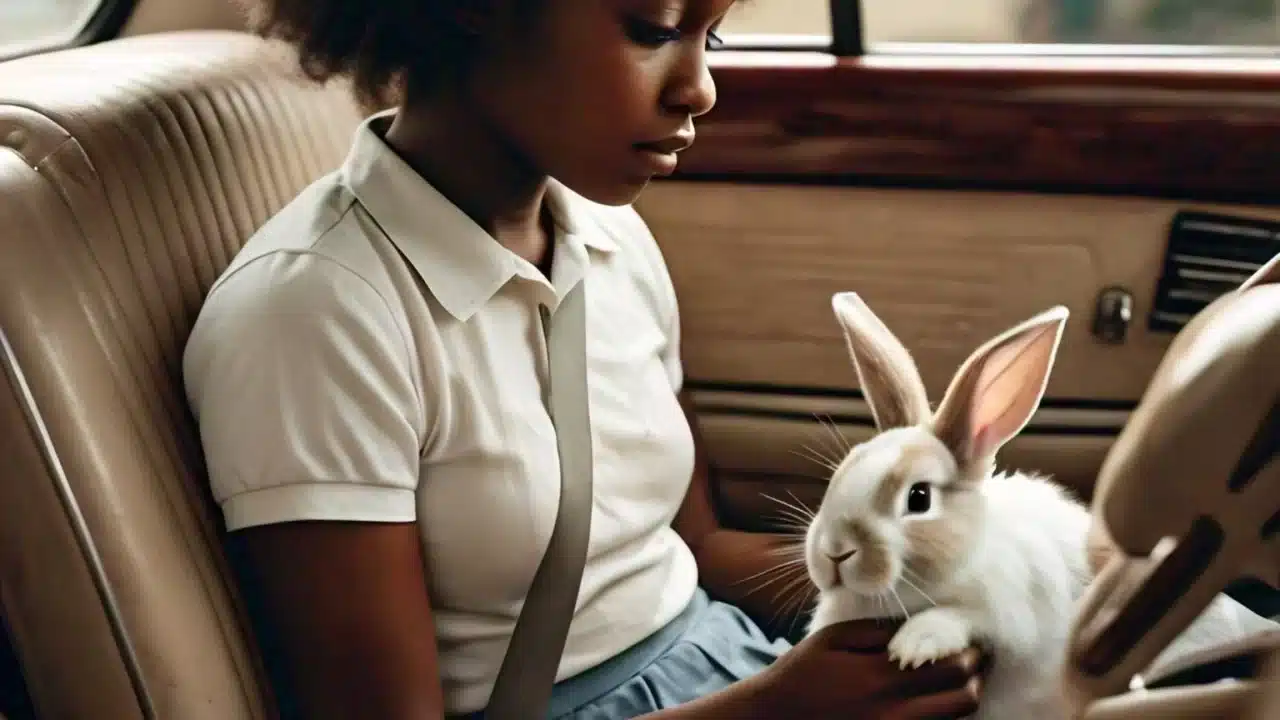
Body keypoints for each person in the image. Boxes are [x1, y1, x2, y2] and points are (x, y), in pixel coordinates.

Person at [182, 1, 987, 718]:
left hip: (731, 661)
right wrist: (781, 708)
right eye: (656, 30)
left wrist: (947, 585)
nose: (699, 89)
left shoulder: (607, 237)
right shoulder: (317, 314)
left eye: (713, 35)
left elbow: (694, 549)